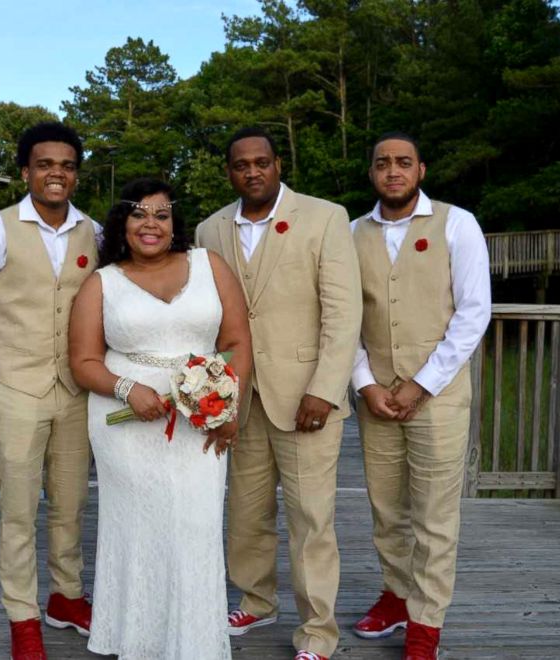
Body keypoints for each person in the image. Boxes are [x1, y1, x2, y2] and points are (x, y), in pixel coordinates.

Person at [196, 127, 362, 660]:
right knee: (245, 510)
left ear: (278, 164)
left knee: (311, 518)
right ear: (230, 171)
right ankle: (256, 598)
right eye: (241, 164)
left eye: (261, 162)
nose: (252, 171)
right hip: (239, 397)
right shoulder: (209, 229)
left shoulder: (325, 217)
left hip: (304, 396)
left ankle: (317, 631)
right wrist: (214, 393)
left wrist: (326, 389)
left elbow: (343, 313)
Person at [68, 177, 252, 660]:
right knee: (138, 527)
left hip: (201, 418)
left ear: (175, 223)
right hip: (126, 423)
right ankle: (135, 639)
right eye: (139, 214)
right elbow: (84, 361)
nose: (150, 224)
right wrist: (130, 389)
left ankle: (193, 642)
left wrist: (228, 407)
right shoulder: (101, 282)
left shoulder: (209, 266)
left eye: (162, 214)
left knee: (196, 524)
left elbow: (236, 340)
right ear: (122, 223)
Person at [0, 122, 100, 660]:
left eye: (65, 164)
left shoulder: (94, 232)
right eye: (44, 164)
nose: (56, 173)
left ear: (75, 174)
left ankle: (67, 596)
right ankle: (23, 614)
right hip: (17, 387)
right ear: (26, 172)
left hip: (76, 390)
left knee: (71, 502)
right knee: (17, 507)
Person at [350, 132, 490, 660]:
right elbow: (345, 320)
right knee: (387, 508)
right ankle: (396, 593)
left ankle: (426, 624)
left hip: (439, 397)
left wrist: (421, 383)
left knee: (433, 513)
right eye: (383, 163)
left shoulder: (458, 223)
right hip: (376, 398)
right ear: (372, 173)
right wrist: (364, 382)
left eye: (403, 163)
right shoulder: (350, 233)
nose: (393, 171)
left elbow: (474, 312)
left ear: (421, 170)